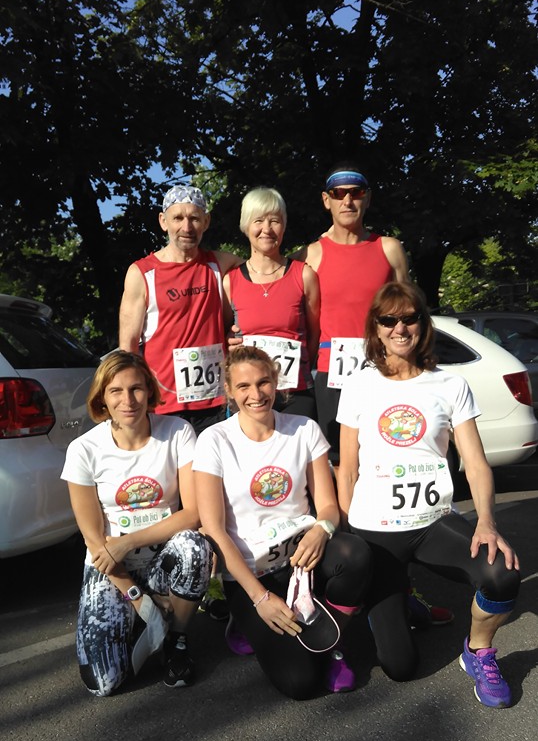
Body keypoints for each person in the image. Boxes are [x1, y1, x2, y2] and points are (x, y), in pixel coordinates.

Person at [337, 281, 521, 708]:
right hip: (375, 532)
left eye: (410, 318)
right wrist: (350, 538)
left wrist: (487, 523)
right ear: (376, 328)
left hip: (434, 522)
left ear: (423, 323)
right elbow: (347, 468)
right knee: (400, 667)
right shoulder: (359, 386)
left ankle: (478, 651)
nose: (400, 328)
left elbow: (475, 463)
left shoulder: (450, 385)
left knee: (502, 573)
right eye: (389, 320)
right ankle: (401, 597)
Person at [192, 346, 373, 699]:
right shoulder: (214, 441)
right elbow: (213, 529)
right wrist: (259, 599)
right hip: (252, 574)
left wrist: (323, 529)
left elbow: (328, 507)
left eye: (263, 383)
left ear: (276, 382)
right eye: (243, 386)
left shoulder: (303, 429)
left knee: (355, 554)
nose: (256, 394)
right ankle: (244, 619)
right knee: (300, 683)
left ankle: (333, 639)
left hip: (305, 563)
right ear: (229, 390)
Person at [61, 350, 213, 696]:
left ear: (150, 391)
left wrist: (130, 540)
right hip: (113, 567)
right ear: (102, 397)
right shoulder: (84, 449)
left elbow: (193, 514)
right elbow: (95, 541)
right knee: (104, 683)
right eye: (116, 391)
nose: (128, 400)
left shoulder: (178, 432)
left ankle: (177, 639)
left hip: (162, 557)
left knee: (195, 548)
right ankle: (141, 617)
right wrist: (137, 598)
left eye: (136, 389)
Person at [295, 162, 409, 464]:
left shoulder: (389, 248)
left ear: (367, 198)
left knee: (384, 449)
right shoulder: (310, 255)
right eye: (339, 193)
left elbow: (409, 312)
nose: (347, 201)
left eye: (355, 193)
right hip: (331, 372)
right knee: (336, 456)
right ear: (326, 200)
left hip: (382, 368)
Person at [118, 183, 239, 436]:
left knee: (211, 476)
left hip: (214, 402)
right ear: (163, 221)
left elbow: (269, 268)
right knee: (170, 476)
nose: (187, 227)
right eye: (178, 218)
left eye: (194, 218)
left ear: (206, 222)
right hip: (163, 403)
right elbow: (128, 347)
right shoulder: (141, 272)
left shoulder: (221, 263)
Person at [224, 186, 320, 419]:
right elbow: (224, 335)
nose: (266, 229)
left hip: (296, 392)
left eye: (274, 221)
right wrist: (229, 342)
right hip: (250, 395)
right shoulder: (231, 281)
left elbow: (315, 334)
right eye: (258, 220)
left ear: (284, 225)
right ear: (246, 226)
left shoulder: (304, 275)